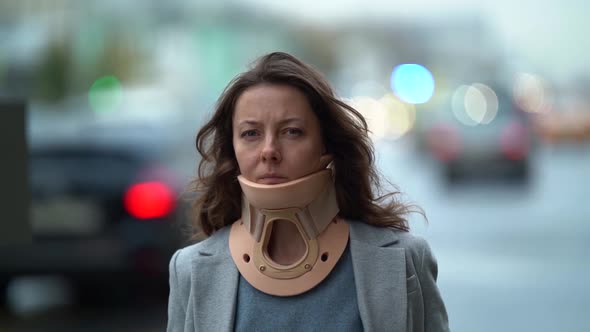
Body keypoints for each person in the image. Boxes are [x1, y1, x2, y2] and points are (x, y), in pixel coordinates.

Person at [167, 51, 449, 331]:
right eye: (251, 133)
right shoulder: (191, 270)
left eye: (292, 131)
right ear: (233, 150)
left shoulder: (404, 261)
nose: (269, 151)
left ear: (327, 145)